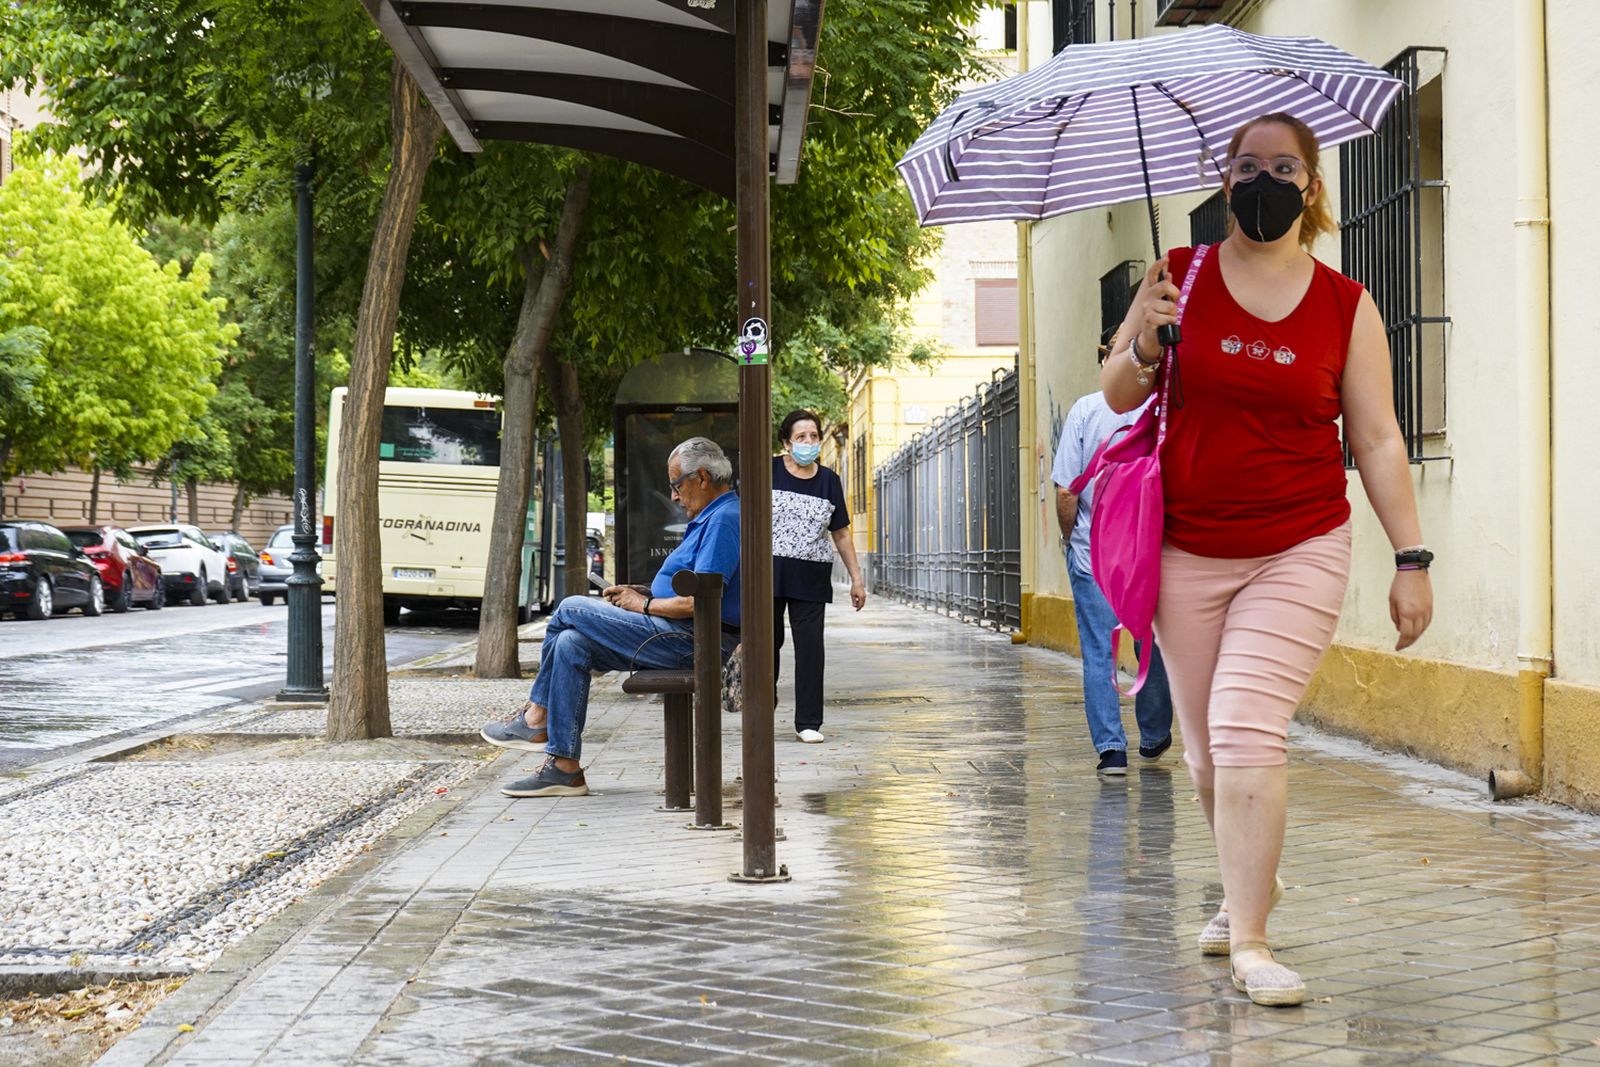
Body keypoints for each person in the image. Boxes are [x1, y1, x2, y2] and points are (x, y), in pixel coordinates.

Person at [1101, 112, 1433, 1006]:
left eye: (1283, 167)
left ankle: (1249, 937)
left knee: (1247, 724)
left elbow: (1377, 438)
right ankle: (1250, 881)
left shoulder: (1345, 305)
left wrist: (1411, 556)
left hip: (1299, 544)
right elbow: (1115, 390)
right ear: (1225, 181)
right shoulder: (1177, 276)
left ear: (1312, 186)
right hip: (1186, 550)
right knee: (1206, 757)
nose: (1264, 181)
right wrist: (1147, 340)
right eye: (1247, 166)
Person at [480, 437, 741, 797]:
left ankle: (536, 717)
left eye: (676, 485)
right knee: (570, 643)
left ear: (702, 478)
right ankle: (564, 769)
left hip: (694, 641)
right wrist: (643, 593)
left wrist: (641, 605)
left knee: (570, 608)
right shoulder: (713, 516)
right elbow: (692, 588)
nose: (674, 496)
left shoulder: (723, 520)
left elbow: (701, 602)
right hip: (682, 633)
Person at [1051, 388, 1174, 777]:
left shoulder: (1086, 410)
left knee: (1099, 652)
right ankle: (1154, 735)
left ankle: (1111, 752)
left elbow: (1067, 490)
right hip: (1148, 555)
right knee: (1151, 644)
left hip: (1094, 556)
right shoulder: (1166, 406)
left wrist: (1070, 540)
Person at [771, 409, 865, 743]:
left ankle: (808, 722)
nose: (808, 442)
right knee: (767, 645)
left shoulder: (829, 481)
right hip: (768, 576)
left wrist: (856, 579)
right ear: (787, 442)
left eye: (813, 436)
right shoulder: (767, 471)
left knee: (810, 649)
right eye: (801, 437)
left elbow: (841, 533)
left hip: (810, 578)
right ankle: (762, 707)